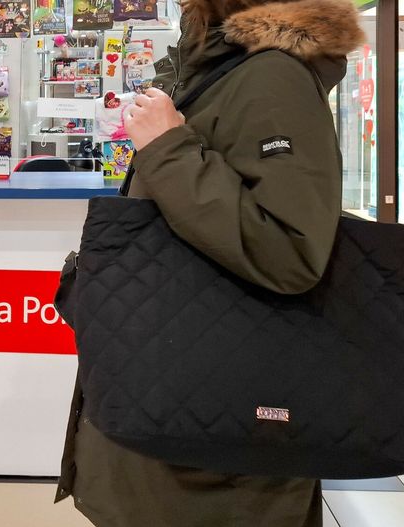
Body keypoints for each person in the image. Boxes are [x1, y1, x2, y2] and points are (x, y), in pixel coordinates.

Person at [56, 0, 364, 526]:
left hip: (212, 446)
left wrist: (169, 148)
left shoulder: (272, 77)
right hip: (179, 409)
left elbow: (290, 251)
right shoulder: (220, 68)